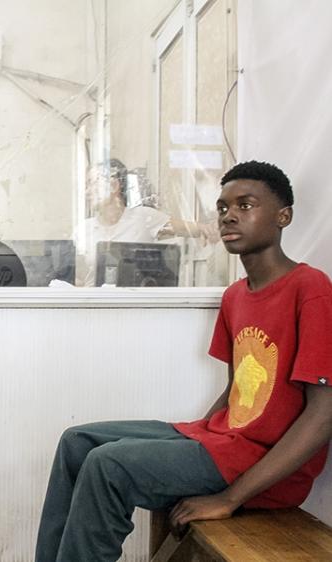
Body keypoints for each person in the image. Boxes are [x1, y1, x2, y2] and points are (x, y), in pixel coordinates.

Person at [36, 160, 332, 561]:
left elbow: (323, 417)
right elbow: (237, 392)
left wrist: (229, 498)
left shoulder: (310, 287)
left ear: (284, 216)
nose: (229, 215)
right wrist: (197, 439)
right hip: (222, 441)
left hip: (263, 465)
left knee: (109, 465)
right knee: (77, 443)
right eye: (222, 207)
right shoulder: (235, 296)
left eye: (245, 206)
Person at [80, 158, 218, 286]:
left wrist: (212, 229)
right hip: (93, 305)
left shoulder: (143, 218)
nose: (86, 192)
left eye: (92, 184)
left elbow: (191, 229)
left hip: (136, 303)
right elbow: (75, 279)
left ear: (114, 185)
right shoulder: (83, 229)